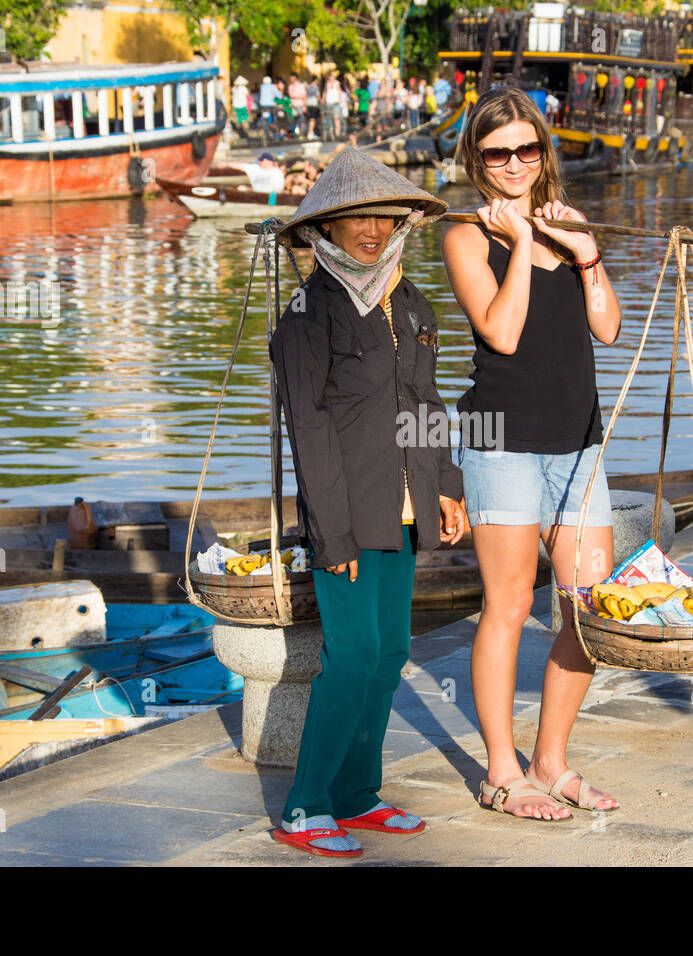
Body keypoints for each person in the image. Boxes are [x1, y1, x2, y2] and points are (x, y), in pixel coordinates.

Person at [267, 148, 465, 858]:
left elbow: (428, 405)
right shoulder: (306, 313)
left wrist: (447, 484)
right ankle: (304, 805)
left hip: (405, 504)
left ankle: (356, 794)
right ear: (326, 227)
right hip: (346, 515)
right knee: (349, 657)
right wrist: (334, 535)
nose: (371, 230)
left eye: (381, 214)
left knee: (389, 655)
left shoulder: (409, 303)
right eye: (355, 218)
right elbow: (309, 433)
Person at [442, 86, 622, 821]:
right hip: (499, 438)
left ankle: (551, 760)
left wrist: (585, 254)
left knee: (589, 610)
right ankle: (501, 771)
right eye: (497, 152)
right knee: (510, 605)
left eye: (527, 148)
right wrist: (518, 243)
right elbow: (503, 333)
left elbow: (607, 329)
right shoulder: (462, 234)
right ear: (475, 160)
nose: (514, 163)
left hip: (577, 438)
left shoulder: (569, 223)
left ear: (544, 152)